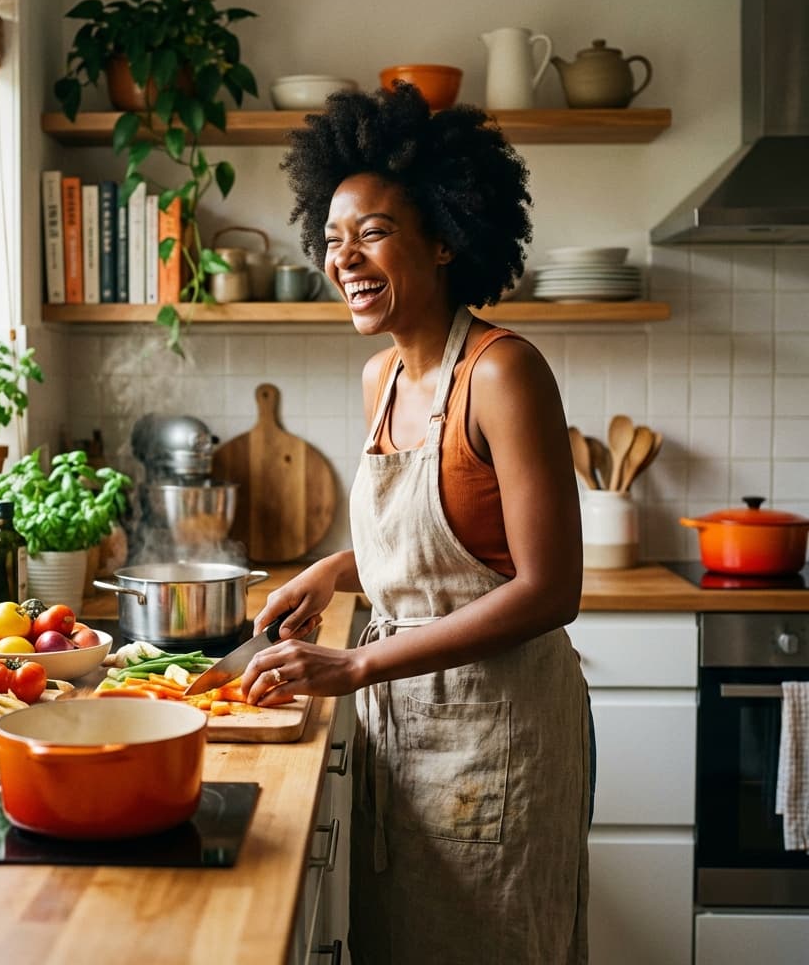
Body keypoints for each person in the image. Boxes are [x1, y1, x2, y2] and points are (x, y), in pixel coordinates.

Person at [240, 82, 591, 964]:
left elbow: (551, 590)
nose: (345, 258)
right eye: (332, 239)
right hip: (403, 730)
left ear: (444, 238)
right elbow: (437, 542)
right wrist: (331, 570)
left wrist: (355, 660)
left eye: (373, 233)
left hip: (498, 737)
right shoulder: (382, 381)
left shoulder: (504, 374)